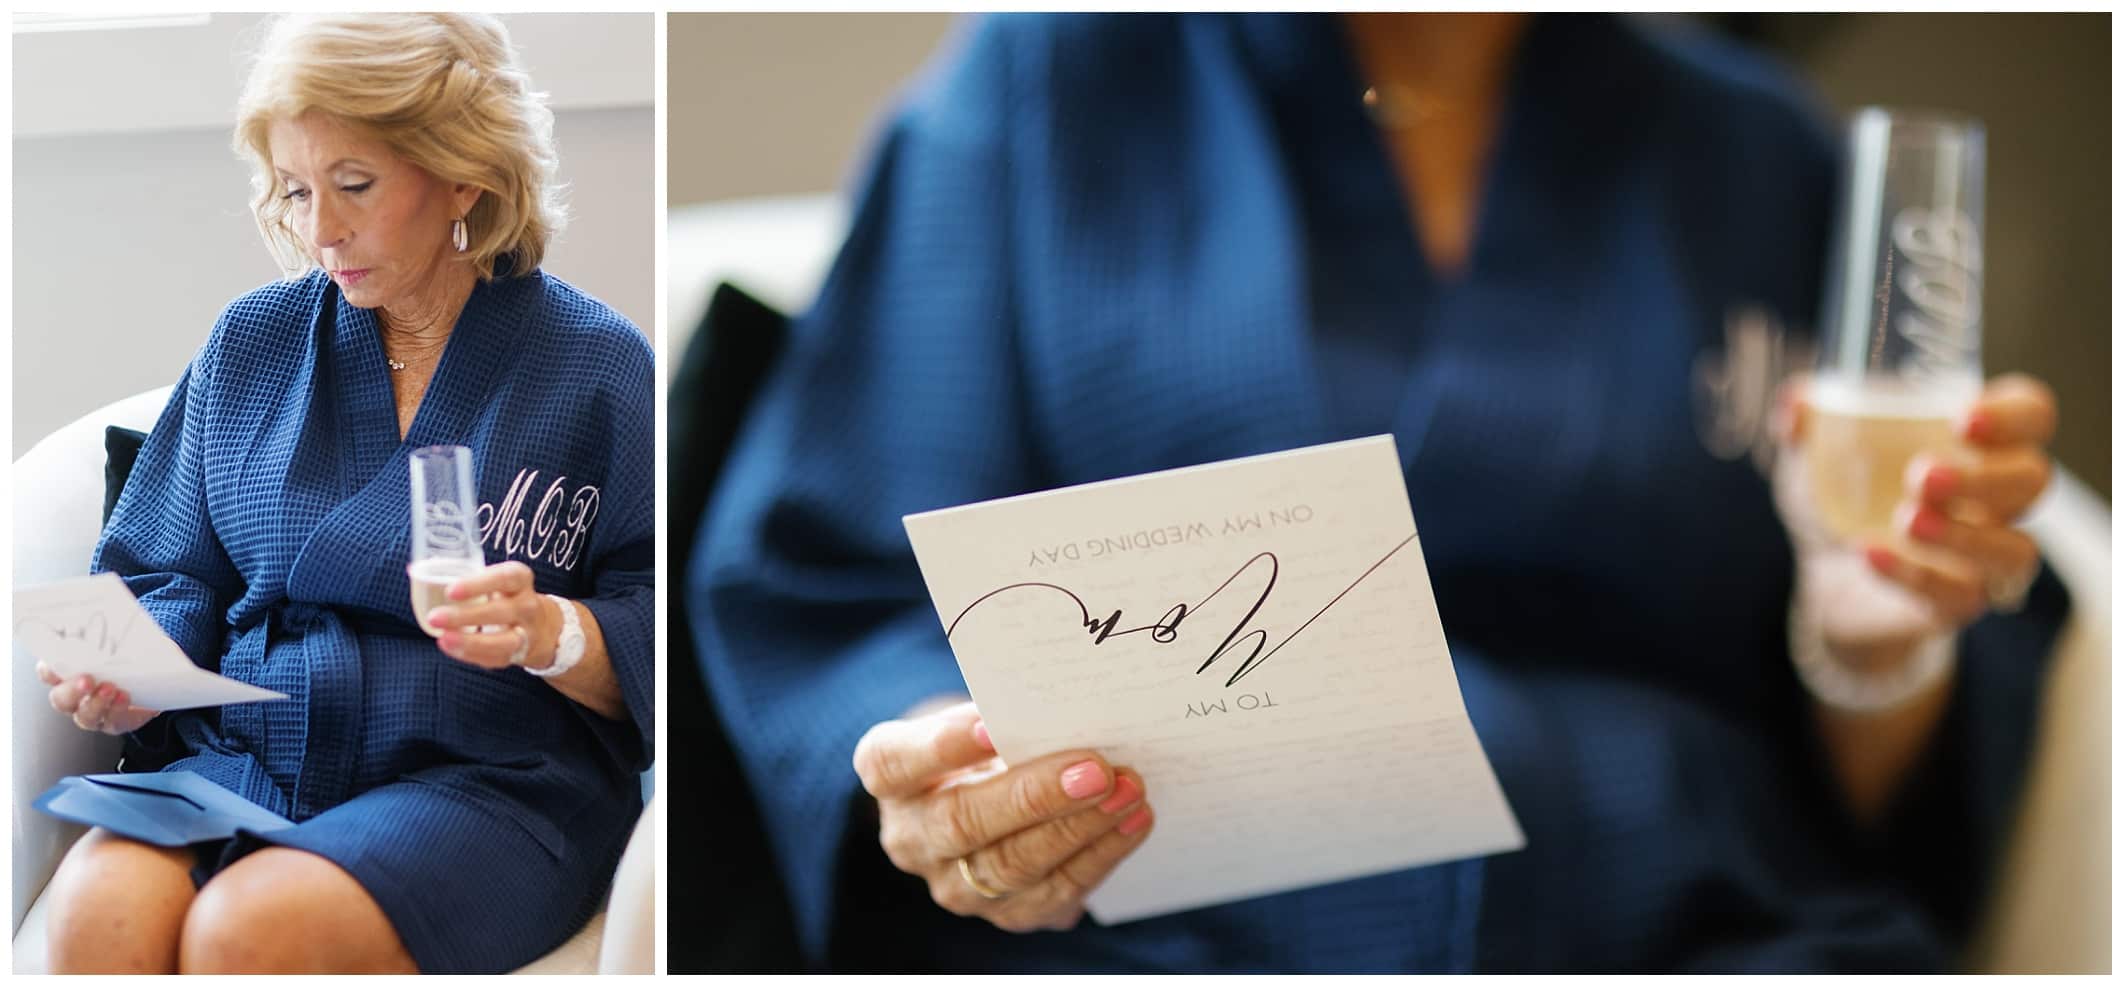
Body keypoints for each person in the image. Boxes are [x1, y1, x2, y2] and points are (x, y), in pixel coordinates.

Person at [690, 13, 2070, 973]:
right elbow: (835, 582)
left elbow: (1872, 787)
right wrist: (961, 775)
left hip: (1692, 930)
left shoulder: (1766, 157)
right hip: (1158, 934)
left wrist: (1872, 644)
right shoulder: (1046, 88)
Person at [38, 13, 655, 974]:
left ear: (464, 171)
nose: (319, 229)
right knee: (97, 910)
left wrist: (551, 631)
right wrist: (128, 673)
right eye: (293, 190)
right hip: (254, 750)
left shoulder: (598, 368)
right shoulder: (250, 343)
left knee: (252, 929)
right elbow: (169, 569)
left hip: (482, 780)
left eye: (354, 185)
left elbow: (670, 620)